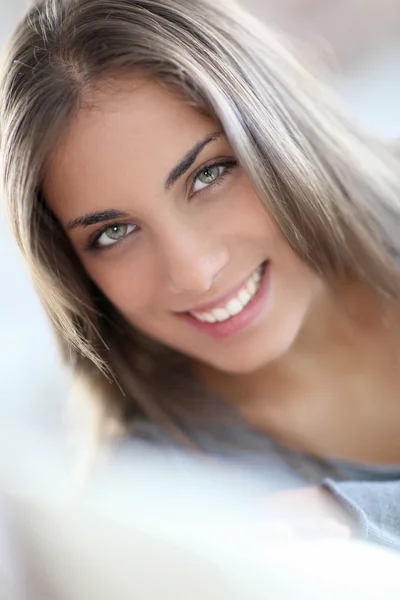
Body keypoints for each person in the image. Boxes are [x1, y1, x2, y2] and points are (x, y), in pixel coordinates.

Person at [1, 0, 400, 548]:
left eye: (209, 174)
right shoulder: (158, 500)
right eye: (112, 234)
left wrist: (352, 517)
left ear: (278, 130)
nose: (194, 273)